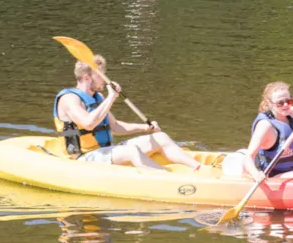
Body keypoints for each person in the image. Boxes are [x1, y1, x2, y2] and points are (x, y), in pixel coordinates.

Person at [52, 54, 201, 171]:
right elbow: (88, 124)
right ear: (86, 78)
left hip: (103, 151)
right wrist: (111, 97)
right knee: (132, 151)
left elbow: (115, 126)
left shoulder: (98, 97)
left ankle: (198, 168)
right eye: (102, 76)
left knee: (160, 137)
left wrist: (145, 128)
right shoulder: (69, 99)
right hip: (83, 157)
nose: (106, 80)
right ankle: (167, 181)